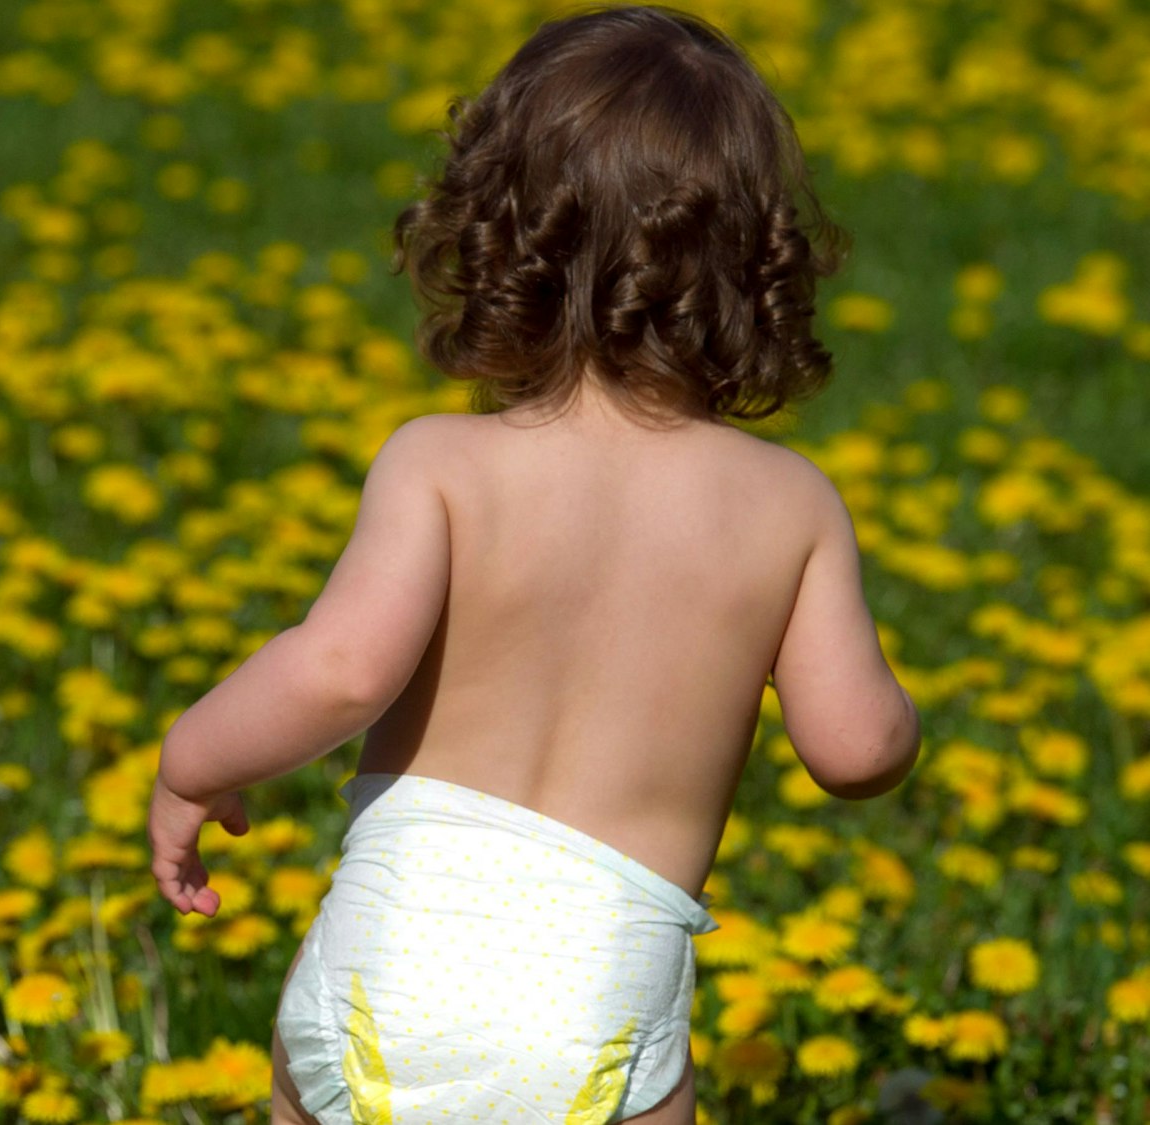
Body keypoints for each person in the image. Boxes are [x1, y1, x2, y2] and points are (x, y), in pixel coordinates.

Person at [146, 4, 922, 1123]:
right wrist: (901, 724)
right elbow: (851, 749)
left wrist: (190, 762)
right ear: (761, 265)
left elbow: (341, 670)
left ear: (500, 235)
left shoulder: (441, 463)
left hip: (387, 969)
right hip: (598, 997)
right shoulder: (788, 506)